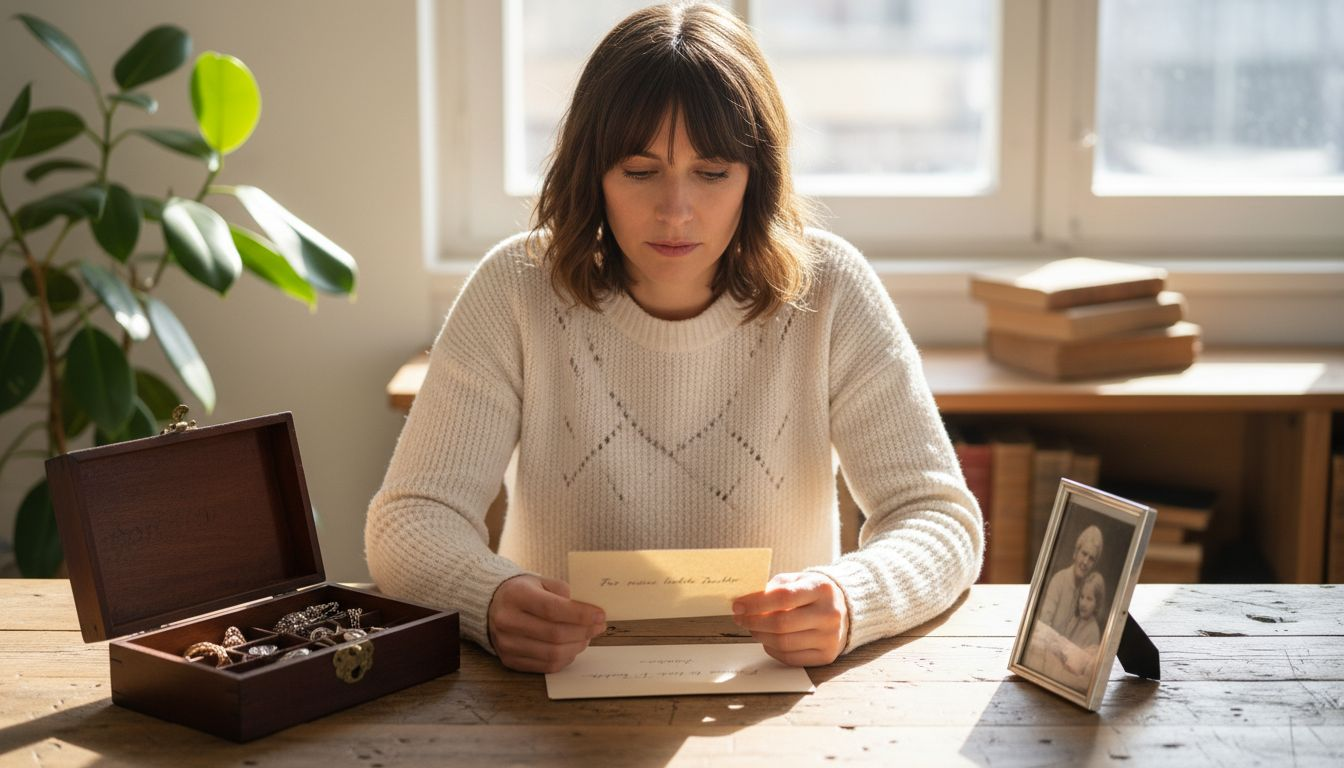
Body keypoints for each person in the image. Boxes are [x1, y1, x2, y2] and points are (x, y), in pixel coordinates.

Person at [364, 2, 983, 674]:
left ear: (757, 177)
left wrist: (851, 598)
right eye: (639, 170)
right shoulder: (516, 288)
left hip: (772, 688)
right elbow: (409, 519)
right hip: (551, 689)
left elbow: (938, 517)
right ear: (591, 173)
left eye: (712, 173)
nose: (676, 210)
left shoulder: (831, 287)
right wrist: (489, 598)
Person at [1036, 523, 1104, 635]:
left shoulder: (1087, 591)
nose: (1085, 562)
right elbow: (1043, 625)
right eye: (1084, 554)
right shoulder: (1059, 580)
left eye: (1091, 558)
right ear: (1075, 553)